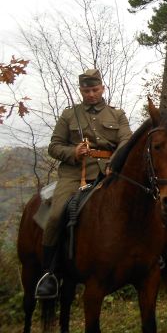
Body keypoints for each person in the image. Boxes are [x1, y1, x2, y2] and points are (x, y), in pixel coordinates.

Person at [35, 69, 132, 299]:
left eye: (95, 90)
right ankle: (48, 273)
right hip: (74, 173)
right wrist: (73, 151)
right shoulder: (70, 115)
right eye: (86, 90)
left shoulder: (117, 114)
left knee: (137, 203)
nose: (91, 94)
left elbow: (126, 140)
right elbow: (54, 146)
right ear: (81, 91)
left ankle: (145, 255)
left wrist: (114, 162)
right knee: (57, 214)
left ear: (102, 88)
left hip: (109, 172)